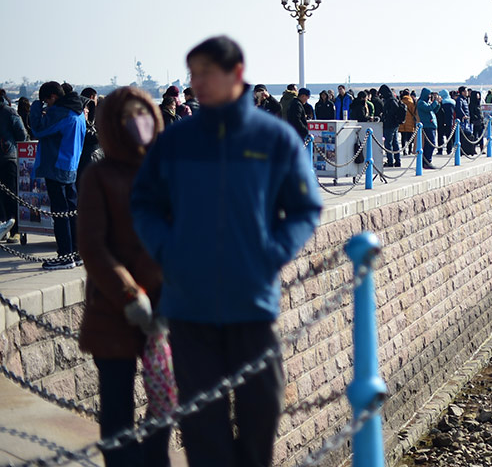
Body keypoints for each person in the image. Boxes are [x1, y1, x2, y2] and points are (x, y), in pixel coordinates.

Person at [131, 36, 321, 467]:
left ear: (236, 74)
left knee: (261, 410)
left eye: (204, 73)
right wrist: (167, 249)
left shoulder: (273, 139)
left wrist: (272, 252)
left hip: (251, 301)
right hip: (189, 305)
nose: (195, 83)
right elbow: (143, 203)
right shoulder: (176, 141)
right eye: (191, 74)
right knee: (201, 425)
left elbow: (306, 207)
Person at [77, 86, 171, 467]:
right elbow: (93, 247)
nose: (139, 123)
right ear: (112, 125)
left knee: (165, 395)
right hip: (113, 305)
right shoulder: (98, 175)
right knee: (117, 400)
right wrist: (131, 294)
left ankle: (154, 458)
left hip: (166, 302)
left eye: (144, 113)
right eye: (129, 116)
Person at [30, 81, 86, 268]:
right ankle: (76, 253)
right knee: (71, 212)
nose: (47, 105)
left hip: (56, 167)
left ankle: (64, 256)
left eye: (46, 101)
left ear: (53, 96)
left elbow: (38, 129)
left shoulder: (60, 112)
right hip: (71, 166)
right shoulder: (78, 112)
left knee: (60, 214)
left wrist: (36, 107)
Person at [0, 90, 28, 242]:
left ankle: (15, 230)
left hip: (8, 159)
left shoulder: (9, 112)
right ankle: (3, 227)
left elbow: (22, 135)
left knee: (11, 195)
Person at [379, 85, 405, 167]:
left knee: (388, 144)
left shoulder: (390, 100)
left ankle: (390, 161)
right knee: (395, 143)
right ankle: (397, 161)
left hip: (390, 125)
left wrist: (386, 116)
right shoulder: (393, 99)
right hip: (394, 124)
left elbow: (392, 112)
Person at [416, 88, 440, 169]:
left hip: (432, 125)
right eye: (429, 94)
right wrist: (435, 102)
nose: (430, 96)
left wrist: (438, 104)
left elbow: (434, 110)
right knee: (431, 144)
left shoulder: (427, 103)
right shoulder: (421, 103)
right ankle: (427, 161)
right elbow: (428, 109)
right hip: (427, 125)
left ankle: (426, 161)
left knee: (430, 144)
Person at [398, 89, 417, 153]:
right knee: (410, 137)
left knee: (403, 137)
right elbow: (413, 111)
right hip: (410, 122)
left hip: (402, 121)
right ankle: (409, 150)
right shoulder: (410, 101)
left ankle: (404, 151)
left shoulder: (401, 101)